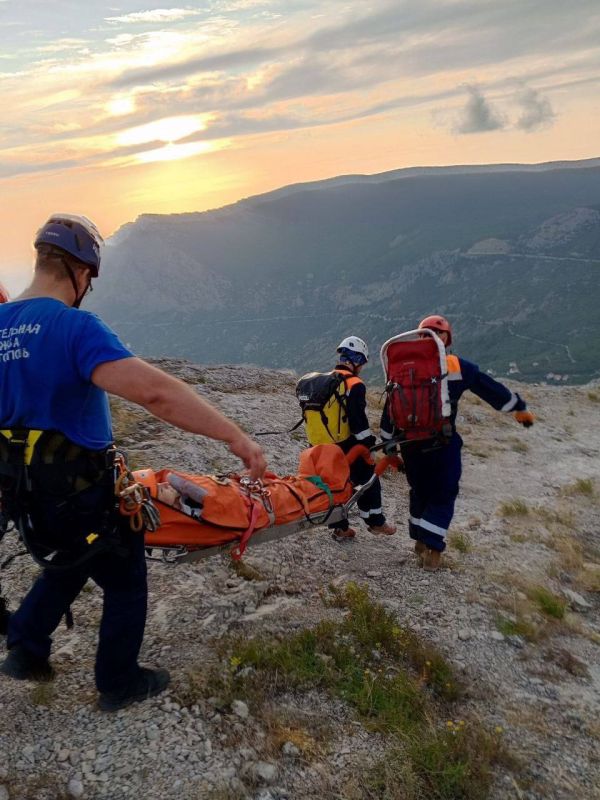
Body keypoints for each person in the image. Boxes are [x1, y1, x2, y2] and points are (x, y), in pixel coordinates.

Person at [0, 213, 266, 711]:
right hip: (81, 491)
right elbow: (155, 394)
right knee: (124, 576)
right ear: (82, 272)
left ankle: (26, 646)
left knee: (73, 557)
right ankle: (118, 680)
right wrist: (235, 437)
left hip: (23, 495)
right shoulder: (74, 328)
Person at [380, 315, 534, 571]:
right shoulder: (455, 365)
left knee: (420, 491)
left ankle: (419, 540)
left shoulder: (403, 367)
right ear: (446, 339)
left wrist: (389, 448)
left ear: (420, 337)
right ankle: (432, 551)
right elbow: (490, 388)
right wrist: (518, 407)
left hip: (409, 444)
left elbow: (390, 411)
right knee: (444, 493)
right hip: (442, 443)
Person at [313, 336, 396, 542]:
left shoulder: (326, 380)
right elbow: (358, 421)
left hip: (319, 444)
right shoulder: (354, 384)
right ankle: (375, 522)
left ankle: (340, 528)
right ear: (357, 360)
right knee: (369, 477)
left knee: (336, 484)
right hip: (345, 444)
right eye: (362, 363)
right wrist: (369, 445)